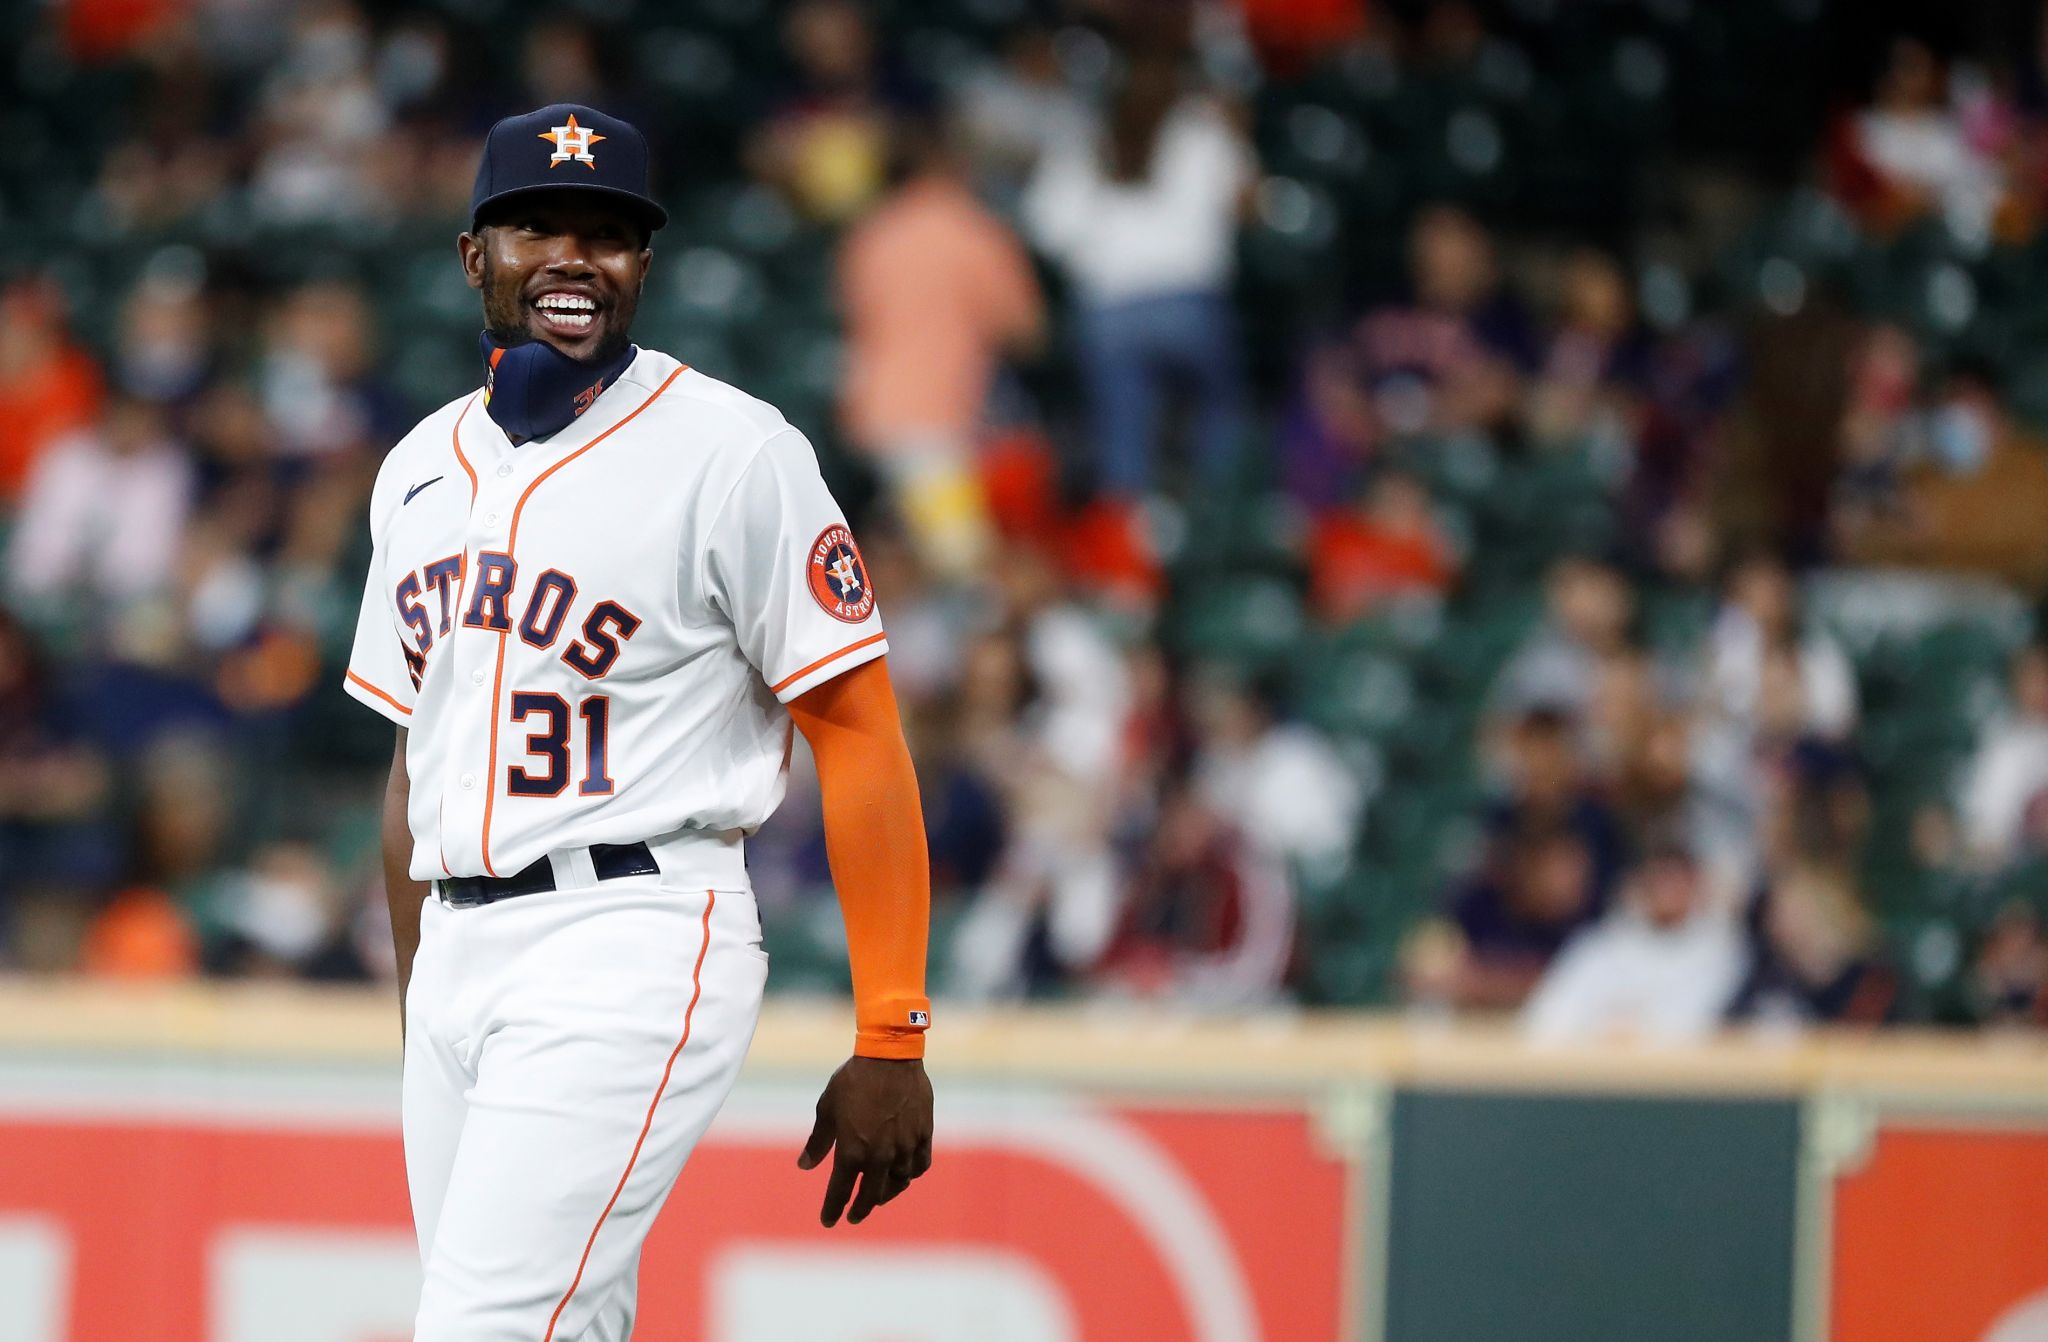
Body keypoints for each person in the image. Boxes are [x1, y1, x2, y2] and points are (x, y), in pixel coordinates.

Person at [340, 105, 933, 1340]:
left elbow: (860, 730)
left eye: (607, 234)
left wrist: (891, 1028)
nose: (572, 256)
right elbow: (418, 764)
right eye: (536, 227)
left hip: (629, 934)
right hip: (457, 950)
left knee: (481, 1326)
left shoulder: (733, 453)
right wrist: (424, 1014)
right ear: (473, 260)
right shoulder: (414, 470)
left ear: (643, 267)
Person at [1023, 48, 1255, 497]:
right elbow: (1248, 207)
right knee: (1223, 409)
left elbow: (1044, 231)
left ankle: (1131, 535)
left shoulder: (1081, 146)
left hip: (1109, 312)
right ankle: (1216, 515)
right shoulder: (1202, 133)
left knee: (1123, 432)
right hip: (1190, 306)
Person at [838, 112, 1045, 577]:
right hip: (935, 426)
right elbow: (1026, 331)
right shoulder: (974, 230)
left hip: (871, 414)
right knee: (962, 571)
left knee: (911, 572)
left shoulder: (871, 234)